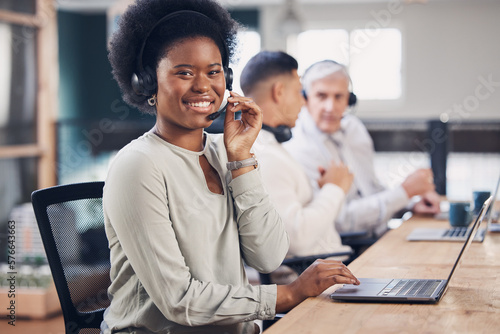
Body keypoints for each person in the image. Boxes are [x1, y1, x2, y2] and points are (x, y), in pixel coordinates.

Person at [103, 2, 360, 334]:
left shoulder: (225, 153)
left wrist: (241, 159)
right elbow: (179, 300)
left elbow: (268, 256)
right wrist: (289, 293)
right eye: (184, 72)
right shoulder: (137, 165)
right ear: (146, 82)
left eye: (213, 71)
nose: (203, 86)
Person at [284, 60, 441, 238]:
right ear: (305, 99)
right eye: (321, 96)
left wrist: (410, 202)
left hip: (379, 237)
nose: (330, 107)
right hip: (348, 249)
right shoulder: (298, 146)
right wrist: (404, 192)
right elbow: (339, 221)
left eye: (338, 97)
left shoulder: (353, 129)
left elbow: (371, 190)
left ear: (349, 100)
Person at [240, 51, 353, 264]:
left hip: (330, 266)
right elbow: (296, 239)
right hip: (321, 279)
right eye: (299, 92)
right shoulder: (265, 155)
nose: (304, 102)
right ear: (279, 92)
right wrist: (335, 189)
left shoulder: (269, 147)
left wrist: (323, 189)